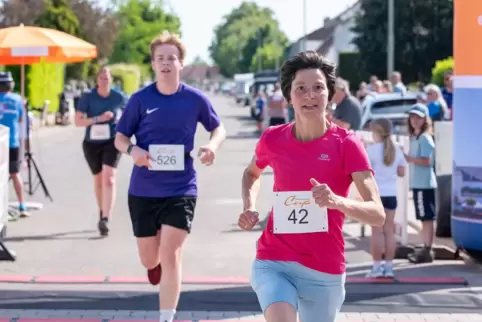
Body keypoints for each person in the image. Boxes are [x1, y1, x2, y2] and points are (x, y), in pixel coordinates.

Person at [237, 51, 385, 322]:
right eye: (301, 89)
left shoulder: (347, 144)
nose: (310, 95)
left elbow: (378, 213)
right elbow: (251, 173)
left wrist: (336, 202)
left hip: (324, 269)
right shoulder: (273, 139)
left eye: (318, 88)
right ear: (289, 96)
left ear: (329, 94)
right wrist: (249, 206)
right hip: (275, 260)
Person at [114, 31, 226, 322]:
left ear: (181, 64)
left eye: (171, 58)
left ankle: (166, 317)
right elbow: (120, 138)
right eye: (160, 58)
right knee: (151, 259)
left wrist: (212, 146)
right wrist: (134, 150)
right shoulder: (140, 99)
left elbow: (218, 128)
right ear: (153, 64)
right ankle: (155, 265)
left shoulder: (194, 99)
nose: (166, 63)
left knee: (172, 251)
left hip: (181, 187)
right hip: (144, 189)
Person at [75, 67, 126, 236]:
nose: (104, 80)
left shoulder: (118, 97)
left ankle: (105, 218)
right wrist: (98, 119)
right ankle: (102, 210)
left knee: (109, 178)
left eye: (107, 78)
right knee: (98, 180)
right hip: (91, 143)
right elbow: (78, 121)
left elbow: (130, 115)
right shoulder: (88, 97)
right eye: (101, 78)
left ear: (111, 80)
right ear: (97, 80)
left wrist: (120, 120)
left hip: (112, 141)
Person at [365, 118, 407, 278]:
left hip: (376, 195)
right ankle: (389, 267)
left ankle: (376, 267)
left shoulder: (371, 150)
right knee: (389, 231)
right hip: (391, 195)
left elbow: (367, 173)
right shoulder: (397, 149)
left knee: (376, 232)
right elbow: (402, 172)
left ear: (376, 132)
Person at [405, 103, 437, 264]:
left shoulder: (425, 137)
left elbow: (427, 161)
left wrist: (409, 159)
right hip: (419, 183)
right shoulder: (416, 137)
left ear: (425, 119)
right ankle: (425, 247)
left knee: (427, 217)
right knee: (424, 217)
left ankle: (427, 248)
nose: (415, 120)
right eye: (412, 117)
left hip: (425, 183)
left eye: (418, 117)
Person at [0, 72, 29, 219]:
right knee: (15, 174)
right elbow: (20, 118)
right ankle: (22, 205)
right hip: (13, 142)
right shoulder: (18, 100)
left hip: (0, 142)